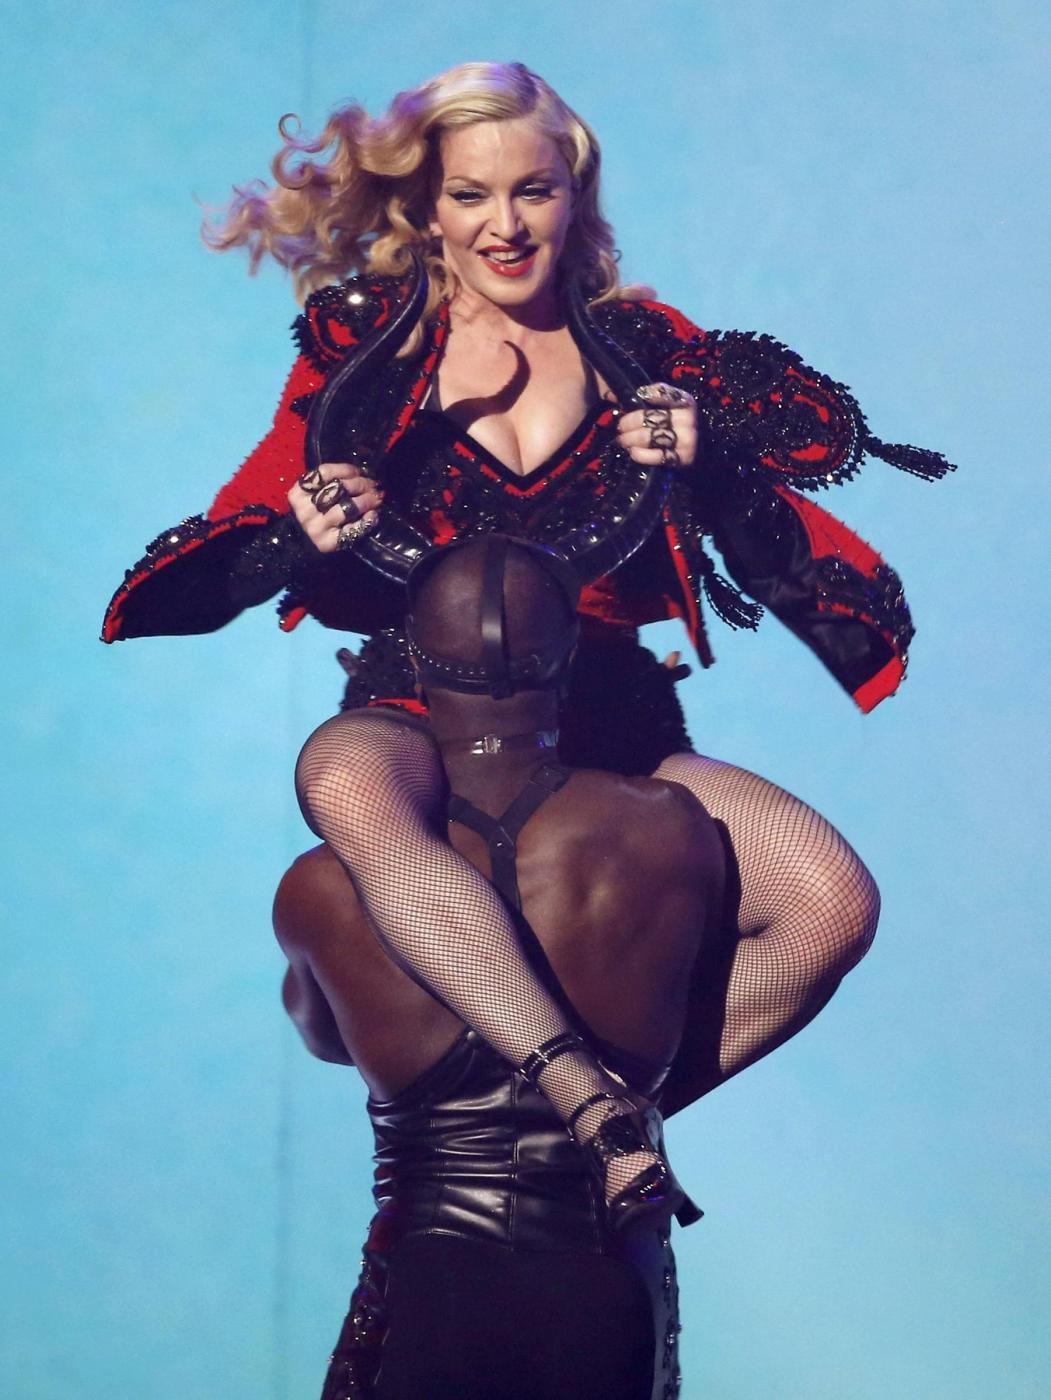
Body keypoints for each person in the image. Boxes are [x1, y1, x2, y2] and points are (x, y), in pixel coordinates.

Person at [102, 62, 952, 1219]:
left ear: (574, 197)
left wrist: (702, 458)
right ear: (428, 207)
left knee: (831, 899)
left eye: (533, 191)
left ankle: (596, 1133)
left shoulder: (647, 348)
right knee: (342, 780)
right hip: (414, 705)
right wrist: (300, 533)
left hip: (606, 712)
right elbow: (211, 566)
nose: (503, 224)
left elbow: (791, 556)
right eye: (471, 194)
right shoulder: (362, 352)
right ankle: (582, 1101)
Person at [275, 534, 729, 1399]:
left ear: (410, 661)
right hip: (604, 1282)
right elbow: (776, 951)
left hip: (431, 1285)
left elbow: (327, 1041)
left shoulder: (321, 888)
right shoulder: (670, 831)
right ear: (569, 655)